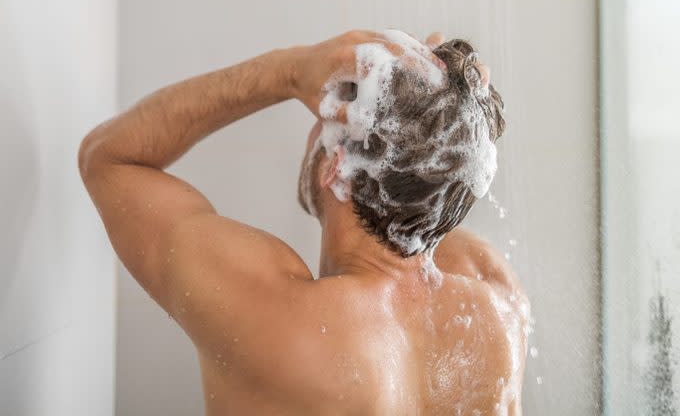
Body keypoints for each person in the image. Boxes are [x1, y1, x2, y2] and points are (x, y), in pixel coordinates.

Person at [79, 30, 529, 415]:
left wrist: (290, 71)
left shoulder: (274, 313)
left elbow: (109, 159)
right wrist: (446, 106)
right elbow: (431, 186)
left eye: (320, 119)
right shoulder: (494, 302)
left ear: (336, 168)